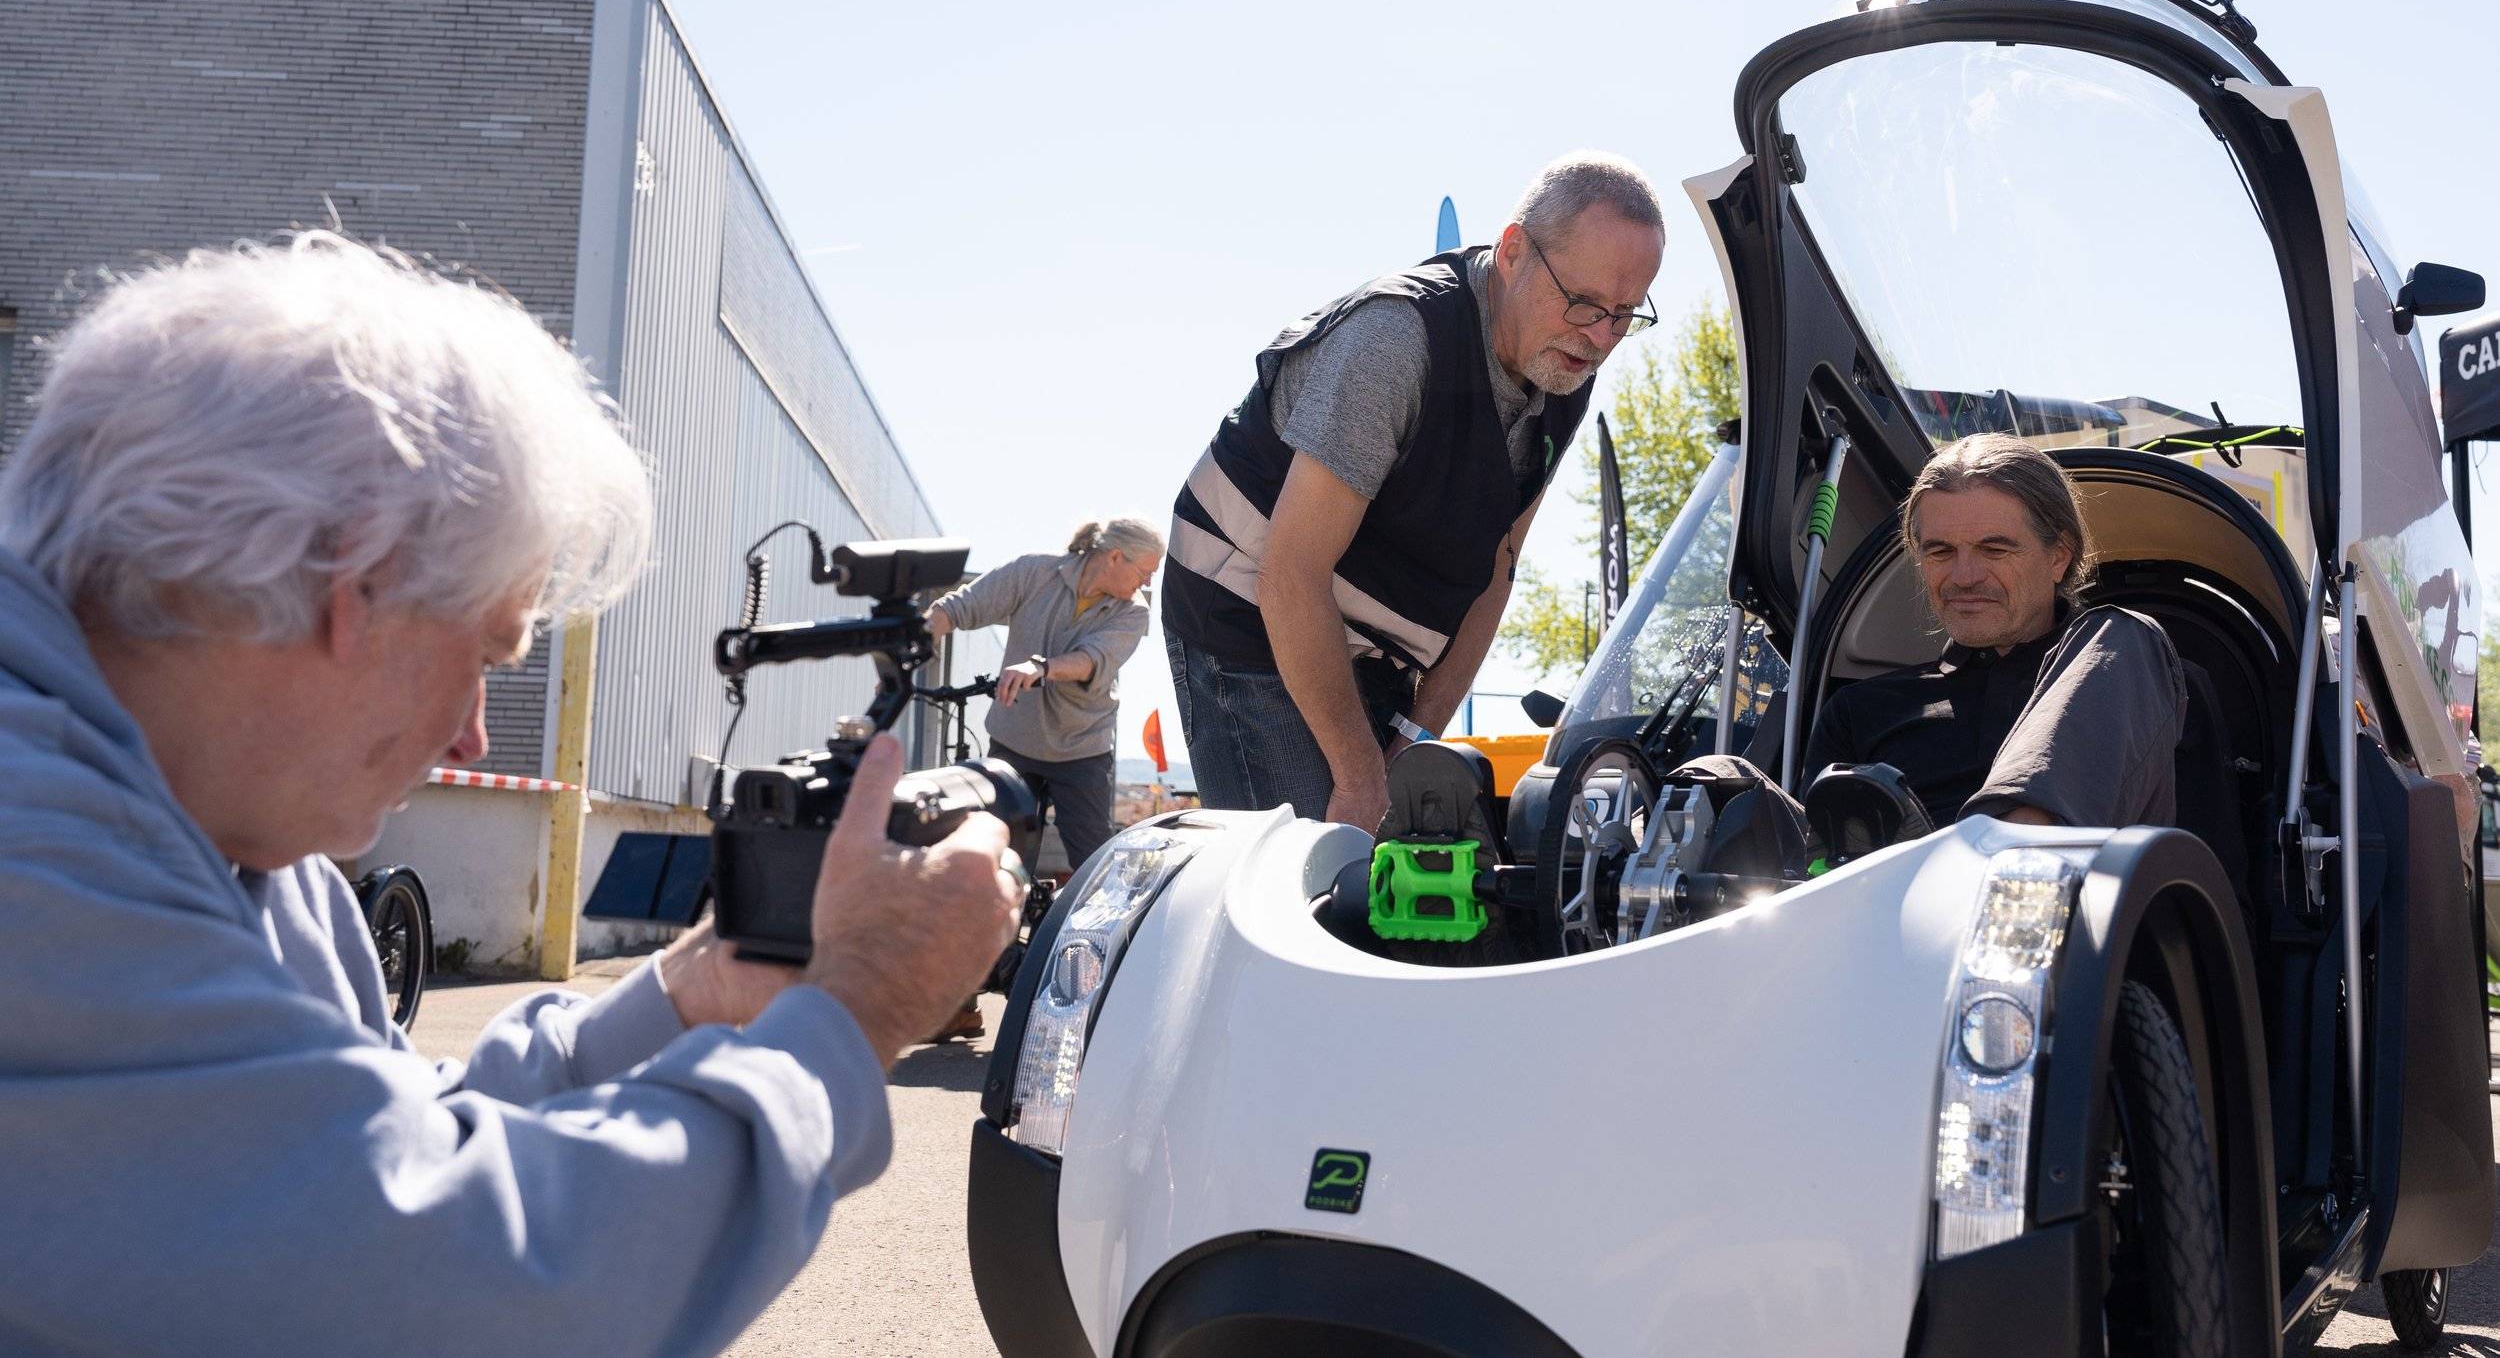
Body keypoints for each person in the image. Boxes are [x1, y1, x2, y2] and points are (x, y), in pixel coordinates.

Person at [0, 233, 1023, 1357]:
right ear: (360, 584)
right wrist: (857, 1009)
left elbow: (370, 1144)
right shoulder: (36, 859)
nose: (477, 729)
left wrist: (682, 992)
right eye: (489, 652)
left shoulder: (225, 830)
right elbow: (460, 1285)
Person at [1161, 152, 1666, 832]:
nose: (1601, 337)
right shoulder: (1393, 343)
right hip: (1248, 615)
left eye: (1625, 315)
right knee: (1316, 877)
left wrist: (1415, 739)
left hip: (1370, 649)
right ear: (1513, 253)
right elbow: (1292, 573)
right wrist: (1361, 771)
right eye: (1583, 303)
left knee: (1440, 880)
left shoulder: (1563, 365)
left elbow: (1497, 569)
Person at [1798, 433, 2187, 829]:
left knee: (2126, 634)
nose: (1964, 577)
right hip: (1886, 887)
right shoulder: (1859, 712)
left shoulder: (2142, 675)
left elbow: (2209, 871)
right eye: (1941, 551)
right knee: (1734, 781)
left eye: (1994, 550)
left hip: (2074, 886)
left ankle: (2012, 850)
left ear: (2059, 557)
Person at [926, 516, 1161, 876]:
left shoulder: (1133, 612)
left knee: (1095, 865)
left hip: (1082, 751)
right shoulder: (1034, 572)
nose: (1147, 581)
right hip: (1015, 741)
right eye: (1145, 571)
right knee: (1001, 853)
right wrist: (913, 650)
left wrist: (1040, 668)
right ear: (1115, 557)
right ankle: (1004, 931)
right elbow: (957, 607)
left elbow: (1090, 661)